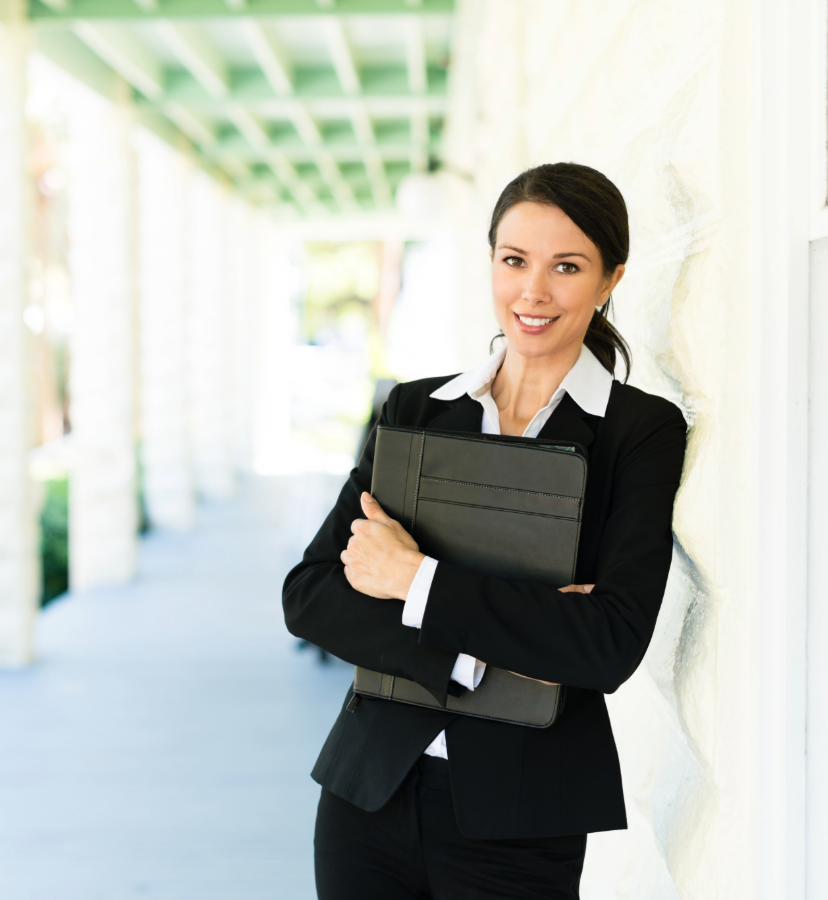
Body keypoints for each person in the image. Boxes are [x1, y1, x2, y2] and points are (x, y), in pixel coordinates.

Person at [282, 162, 688, 900]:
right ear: (492, 262)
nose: (533, 292)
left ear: (609, 281)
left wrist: (412, 580)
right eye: (514, 261)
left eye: (567, 267)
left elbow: (605, 643)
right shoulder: (413, 411)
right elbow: (310, 598)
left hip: (522, 825)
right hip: (365, 796)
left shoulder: (638, 432)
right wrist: (486, 654)